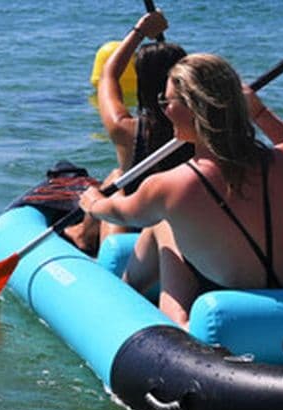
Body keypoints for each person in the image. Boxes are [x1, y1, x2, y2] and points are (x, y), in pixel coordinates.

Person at [78, 53, 283, 330]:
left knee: (163, 222)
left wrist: (92, 202)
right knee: (165, 220)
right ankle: (131, 295)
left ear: (194, 108)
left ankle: (137, 303)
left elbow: (121, 213)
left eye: (167, 101)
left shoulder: (170, 185)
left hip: (223, 313)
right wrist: (260, 113)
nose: (164, 110)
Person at [64, 11, 192, 254]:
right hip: (187, 221)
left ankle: (83, 234)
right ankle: (83, 231)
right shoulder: (208, 128)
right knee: (117, 175)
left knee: (119, 179)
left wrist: (139, 31)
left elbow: (107, 77)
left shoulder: (127, 130)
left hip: (137, 226)